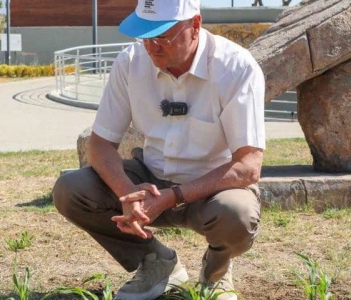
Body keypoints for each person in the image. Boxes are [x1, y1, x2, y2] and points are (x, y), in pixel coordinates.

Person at [53, 0, 265, 298]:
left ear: (195, 25)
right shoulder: (130, 63)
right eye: (145, 35)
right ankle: (156, 261)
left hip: (211, 191)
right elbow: (99, 145)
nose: (152, 47)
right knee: (71, 189)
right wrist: (128, 193)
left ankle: (215, 272)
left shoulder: (236, 67)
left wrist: (172, 197)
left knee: (237, 214)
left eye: (163, 35)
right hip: (149, 178)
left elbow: (248, 165)